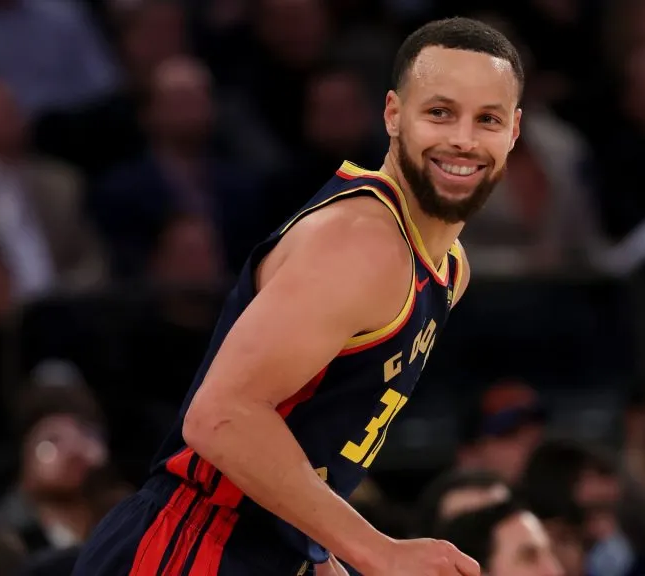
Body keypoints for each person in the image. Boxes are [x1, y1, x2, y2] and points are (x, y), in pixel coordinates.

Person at [73, 16, 524, 576]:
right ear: (392, 114)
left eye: (487, 119)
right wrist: (377, 550)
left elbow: (311, 436)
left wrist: (320, 553)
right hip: (191, 542)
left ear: (514, 131)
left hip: (263, 551)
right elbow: (220, 417)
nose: (463, 139)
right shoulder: (361, 242)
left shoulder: (448, 268)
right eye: (440, 112)